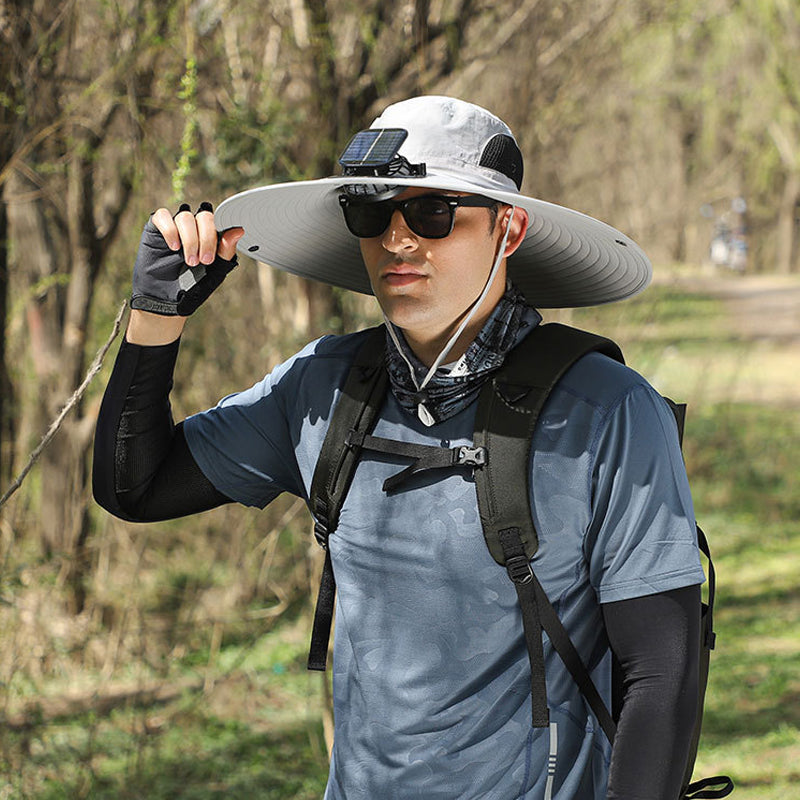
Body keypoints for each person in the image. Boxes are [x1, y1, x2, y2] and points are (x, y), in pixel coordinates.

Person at [93, 96, 706, 799]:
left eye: (432, 213)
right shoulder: (323, 388)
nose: (397, 238)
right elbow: (133, 487)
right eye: (371, 212)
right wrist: (156, 315)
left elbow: (663, 675)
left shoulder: (609, 409)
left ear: (509, 228)